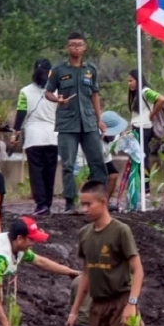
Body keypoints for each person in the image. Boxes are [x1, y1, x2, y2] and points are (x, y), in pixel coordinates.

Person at [66, 182, 144, 326]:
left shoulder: (121, 231)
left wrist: (131, 304)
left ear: (103, 202)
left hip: (120, 302)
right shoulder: (84, 234)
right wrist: (74, 311)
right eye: (82, 204)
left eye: (88, 204)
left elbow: (137, 270)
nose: (84, 209)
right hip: (97, 305)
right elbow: (86, 273)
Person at [0, 216, 78, 326]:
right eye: (31, 239)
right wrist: (4, 325)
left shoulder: (15, 244)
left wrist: (70, 272)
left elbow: (41, 262)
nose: (33, 244)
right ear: (20, 239)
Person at [45, 33, 107, 211]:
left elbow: (95, 95)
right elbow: (48, 92)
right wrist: (57, 100)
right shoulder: (59, 70)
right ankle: (70, 203)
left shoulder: (91, 69)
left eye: (79, 45)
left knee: (97, 162)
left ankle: (99, 201)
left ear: (84, 47)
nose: (76, 48)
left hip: (88, 122)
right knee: (68, 164)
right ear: (67, 47)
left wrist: (99, 119)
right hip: (67, 123)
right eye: (72, 45)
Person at [15, 59, 58, 216]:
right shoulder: (56, 91)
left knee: (36, 172)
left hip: (33, 137)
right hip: (53, 136)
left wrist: (16, 132)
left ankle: (41, 205)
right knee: (50, 172)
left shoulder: (25, 91)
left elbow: (21, 114)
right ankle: (48, 203)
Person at [126, 69, 164, 163]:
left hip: (143, 128)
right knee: (138, 158)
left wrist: (152, 114)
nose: (129, 84)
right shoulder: (137, 94)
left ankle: (145, 177)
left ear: (138, 80)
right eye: (128, 81)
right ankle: (141, 177)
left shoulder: (145, 91)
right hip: (137, 128)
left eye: (131, 81)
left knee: (142, 159)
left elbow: (162, 99)